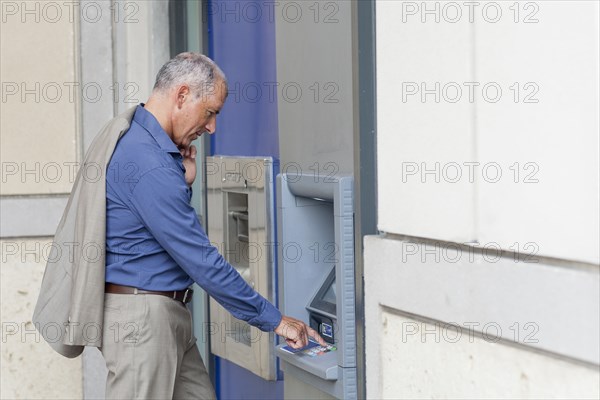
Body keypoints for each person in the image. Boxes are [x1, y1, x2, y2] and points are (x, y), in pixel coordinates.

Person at [100, 52, 325, 399]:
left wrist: (183, 183)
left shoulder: (154, 153)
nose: (212, 127)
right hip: (142, 322)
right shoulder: (148, 162)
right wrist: (275, 320)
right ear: (182, 95)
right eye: (211, 112)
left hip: (167, 313)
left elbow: (158, 231)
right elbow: (201, 259)